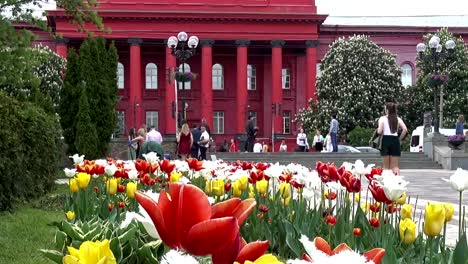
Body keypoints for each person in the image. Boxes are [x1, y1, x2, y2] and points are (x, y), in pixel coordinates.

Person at [377, 102, 408, 175]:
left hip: (385, 140)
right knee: (395, 167)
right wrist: (399, 139)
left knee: (386, 167)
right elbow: (405, 129)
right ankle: (396, 182)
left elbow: (379, 131)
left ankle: (386, 183)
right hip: (395, 140)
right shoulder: (398, 119)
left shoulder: (382, 119)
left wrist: (378, 129)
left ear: (387, 109)